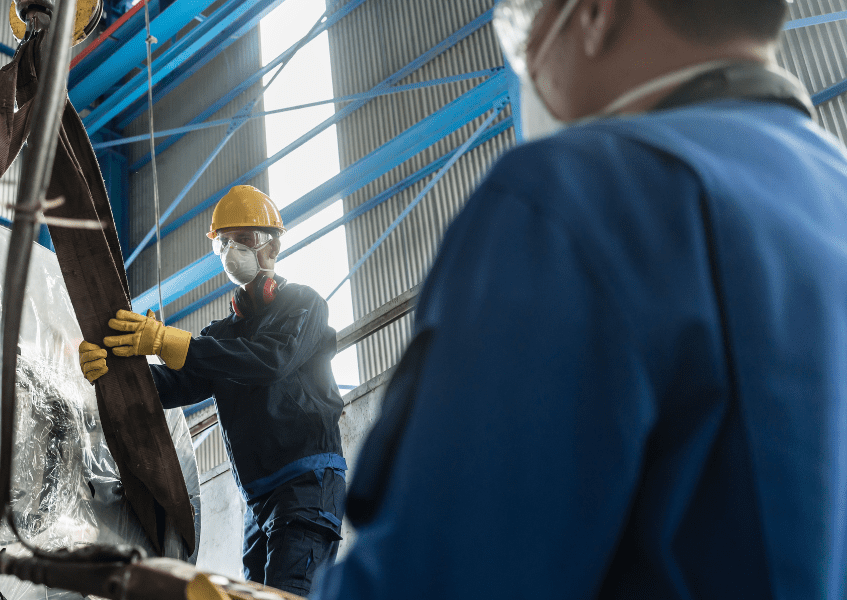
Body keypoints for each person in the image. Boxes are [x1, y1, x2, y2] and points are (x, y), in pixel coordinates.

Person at [313, 0, 847, 598]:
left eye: (533, 19)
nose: (531, 61)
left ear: (595, 13)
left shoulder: (571, 198)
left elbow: (441, 578)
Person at [78, 185, 347, 595]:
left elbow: (269, 360)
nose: (231, 251)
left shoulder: (303, 306)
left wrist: (171, 342)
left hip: (308, 484)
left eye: (245, 240)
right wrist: (112, 374)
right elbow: (170, 387)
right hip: (259, 502)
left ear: (272, 249)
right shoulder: (221, 336)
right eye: (223, 243)